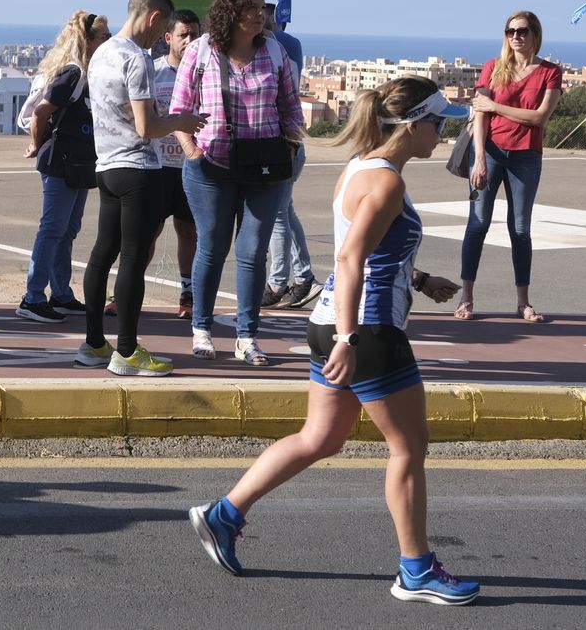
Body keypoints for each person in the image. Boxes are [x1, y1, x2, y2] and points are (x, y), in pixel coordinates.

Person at [188, 76, 480, 607]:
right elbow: (349, 260)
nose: (442, 134)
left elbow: (362, 248)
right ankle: (416, 570)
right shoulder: (387, 181)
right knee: (409, 448)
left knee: (320, 438)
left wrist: (417, 279)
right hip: (364, 331)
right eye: (438, 123)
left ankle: (223, 515)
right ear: (413, 125)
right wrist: (350, 338)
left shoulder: (363, 166)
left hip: (331, 324)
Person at [169, 0, 303, 364]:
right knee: (211, 247)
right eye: (253, 8)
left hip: (265, 167)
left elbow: (290, 106)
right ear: (233, 12)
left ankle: (247, 336)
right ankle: (202, 329)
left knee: (253, 251)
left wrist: (291, 149)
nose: (261, 15)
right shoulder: (201, 51)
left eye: (263, 8)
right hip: (211, 166)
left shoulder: (275, 52)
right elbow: (179, 109)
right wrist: (191, 151)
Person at [78, 0, 205, 375]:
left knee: (102, 253)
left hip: (106, 165)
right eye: (163, 28)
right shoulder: (137, 59)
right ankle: (128, 351)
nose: (159, 37)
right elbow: (148, 126)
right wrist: (181, 122)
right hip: (138, 169)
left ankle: (95, 343)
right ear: (153, 20)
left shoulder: (101, 53)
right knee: (133, 257)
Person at [457, 10, 562, 322]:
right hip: (489, 151)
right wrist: (478, 160)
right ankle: (466, 297)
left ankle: (523, 302)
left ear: (535, 35)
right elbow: (480, 117)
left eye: (523, 31)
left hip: (526, 155)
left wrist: (495, 106)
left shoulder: (550, 73)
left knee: (520, 229)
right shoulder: (493, 67)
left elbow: (540, 117)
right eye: (510, 31)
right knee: (477, 224)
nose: (516, 36)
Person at [16, 11, 109, 323]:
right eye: (102, 37)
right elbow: (42, 112)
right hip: (62, 162)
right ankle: (32, 296)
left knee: (67, 229)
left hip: (79, 163)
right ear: (88, 41)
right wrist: (39, 143)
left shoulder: (88, 74)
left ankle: (61, 294)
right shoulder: (73, 74)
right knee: (53, 228)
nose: (107, 42)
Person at [260, 2, 320, 310]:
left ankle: (277, 282)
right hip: (292, 144)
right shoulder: (290, 44)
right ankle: (304, 275)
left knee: (278, 215)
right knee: (286, 210)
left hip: (281, 145)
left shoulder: (278, 44)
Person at [152, 9, 202, 321]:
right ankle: (124, 291)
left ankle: (188, 291)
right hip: (156, 168)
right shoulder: (152, 71)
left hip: (189, 167)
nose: (189, 41)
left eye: (194, 35)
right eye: (183, 35)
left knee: (188, 231)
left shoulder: (204, 73)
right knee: (148, 231)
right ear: (168, 38)